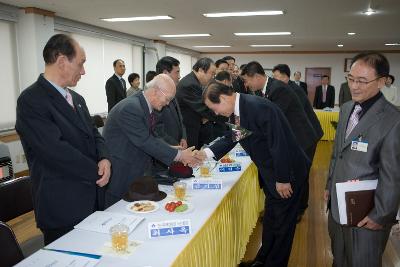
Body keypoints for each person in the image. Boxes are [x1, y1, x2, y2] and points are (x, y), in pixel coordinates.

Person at [195, 82, 310, 267]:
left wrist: (283, 179)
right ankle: (262, 260)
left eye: (214, 108)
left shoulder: (259, 107)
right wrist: (206, 153)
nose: (215, 113)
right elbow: (235, 136)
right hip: (272, 174)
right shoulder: (241, 109)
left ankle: (274, 263)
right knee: (271, 220)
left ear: (223, 98)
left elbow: (279, 144)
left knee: (283, 226)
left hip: (287, 175)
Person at [15, 34, 111, 245]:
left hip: (92, 197)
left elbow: (94, 133)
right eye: (81, 64)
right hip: (63, 205)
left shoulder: (77, 99)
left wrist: (104, 157)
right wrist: (96, 170)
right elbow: (56, 152)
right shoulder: (31, 101)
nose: (84, 71)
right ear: (61, 61)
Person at [324, 52, 400, 267]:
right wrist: (329, 185)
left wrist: (381, 215)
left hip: (368, 213)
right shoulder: (347, 108)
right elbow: (337, 152)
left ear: (382, 81)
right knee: (339, 258)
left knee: (362, 261)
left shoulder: (393, 120)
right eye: (351, 78)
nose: (354, 86)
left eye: (362, 81)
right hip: (338, 205)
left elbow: (393, 175)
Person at [103, 74, 199, 207]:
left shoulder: (143, 105)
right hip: (122, 175)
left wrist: (172, 149)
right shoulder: (131, 108)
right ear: (155, 91)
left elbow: (152, 136)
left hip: (136, 171)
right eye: (168, 98)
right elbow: (145, 141)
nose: (168, 103)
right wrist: (180, 156)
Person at [273, 63, 323, 220]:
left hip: (306, 137)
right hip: (302, 135)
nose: (274, 81)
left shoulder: (292, 91)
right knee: (299, 172)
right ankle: (296, 206)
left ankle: (300, 208)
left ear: (286, 77)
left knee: (302, 173)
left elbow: (283, 117)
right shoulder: (287, 89)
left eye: (276, 77)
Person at [176, 57, 225, 149]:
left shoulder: (195, 82)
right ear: (201, 70)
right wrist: (225, 116)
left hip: (196, 126)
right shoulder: (190, 84)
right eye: (212, 74)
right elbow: (202, 108)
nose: (213, 77)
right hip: (188, 129)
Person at [152, 56, 187, 175]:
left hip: (177, 146)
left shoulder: (172, 91)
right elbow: (157, 130)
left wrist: (183, 137)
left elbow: (180, 118)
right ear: (165, 73)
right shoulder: (156, 97)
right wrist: (175, 145)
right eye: (177, 72)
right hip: (164, 153)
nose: (179, 76)